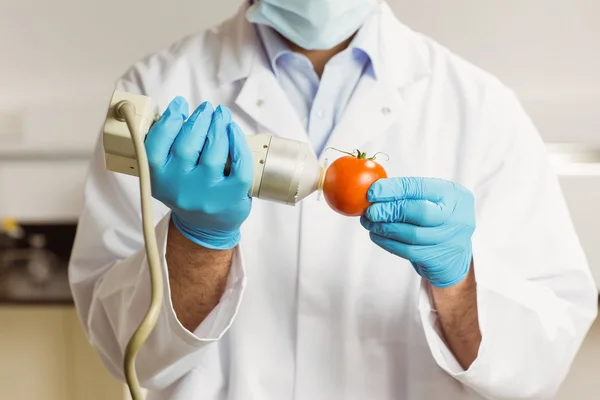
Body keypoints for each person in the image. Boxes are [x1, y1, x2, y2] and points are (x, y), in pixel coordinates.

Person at [68, 0, 598, 399]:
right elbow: (123, 348)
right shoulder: (155, 92)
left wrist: (459, 283)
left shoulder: (480, 109)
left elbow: (540, 358)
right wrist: (196, 242)